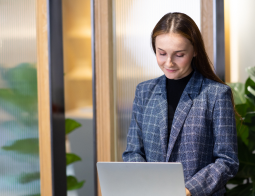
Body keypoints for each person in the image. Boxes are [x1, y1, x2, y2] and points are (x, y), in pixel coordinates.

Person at [122, 12, 239, 196]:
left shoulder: (216, 94)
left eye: (179, 55)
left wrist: (187, 190)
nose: (169, 62)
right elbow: (133, 152)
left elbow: (227, 161)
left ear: (195, 51)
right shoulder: (144, 91)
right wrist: (143, 183)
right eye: (161, 53)